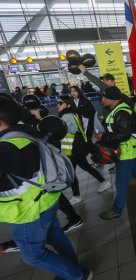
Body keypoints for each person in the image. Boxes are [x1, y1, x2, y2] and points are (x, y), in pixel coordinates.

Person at [0, 97, 93, 280]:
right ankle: (70, 268)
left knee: (32, 255)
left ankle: (77, 275)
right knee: (56, 237)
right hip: (47, 200)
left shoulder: (6, 149)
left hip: (28, 211)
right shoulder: (25, 133)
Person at [98, 86, 136, 220]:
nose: (102, 99)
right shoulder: (117, 109)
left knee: (121, 182)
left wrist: (104, 137)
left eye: (105, 97)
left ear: (112, 99)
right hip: (131, 150)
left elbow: (124, 135)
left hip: (127, 152)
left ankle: (116, 210)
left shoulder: (121, 112)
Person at [56, 96, 111, 205]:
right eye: (57, 103)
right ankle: (104, 182)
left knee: (71, 172)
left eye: (60, 103)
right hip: (77, 148)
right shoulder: (73, 113)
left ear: (68, 105)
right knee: (85, 166)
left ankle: (77, 196)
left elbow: (66, 132)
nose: (57, 105)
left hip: (72, 149)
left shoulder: (66, 116)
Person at [70, 86, 96, 154]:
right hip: (77, 126)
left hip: (87, 125)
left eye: (75, 91)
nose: (73, 93)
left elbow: (92, 112)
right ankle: (95, 155)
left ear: (78, 91)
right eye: (72, 91)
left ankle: (96, 155)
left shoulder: (85, 101)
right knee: (85, 141)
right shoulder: (70, 103)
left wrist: (84, 116)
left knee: (87, 140)